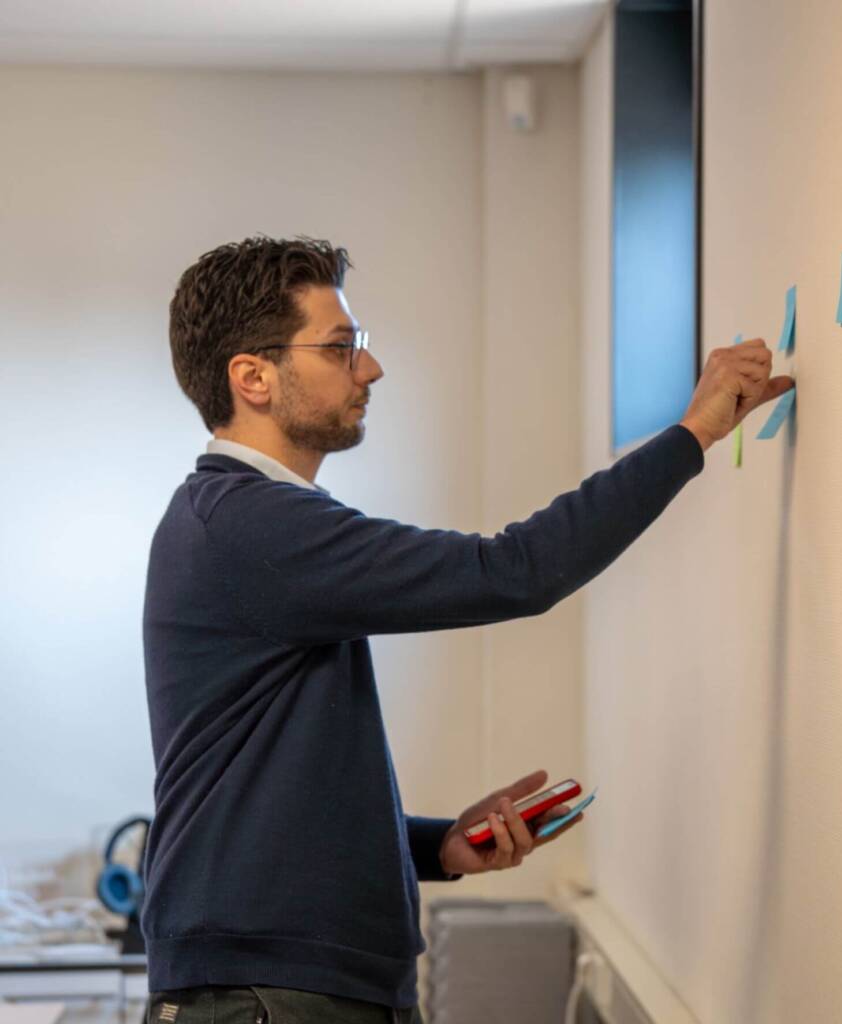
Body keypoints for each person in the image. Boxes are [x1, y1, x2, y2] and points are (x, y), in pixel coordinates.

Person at [141, 235, 793, 1024]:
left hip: (290, 987)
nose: (370, 369)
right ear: (253, 377)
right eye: (341, 348)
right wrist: (694, 434)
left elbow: (272, 791)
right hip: (270, 994)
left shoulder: (243, 524)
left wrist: (436, 846)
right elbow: (514, 571)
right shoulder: (250, 525)